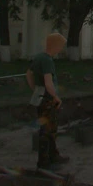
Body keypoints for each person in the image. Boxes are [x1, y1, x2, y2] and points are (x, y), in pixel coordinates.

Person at [26, 33, 69, 170]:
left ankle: (53, 155)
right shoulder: (47, 61)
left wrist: (35, 88)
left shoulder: (39, 57)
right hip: (48, 100)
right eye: (60, 46)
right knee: (48, 130)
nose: (61, 49)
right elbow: (48, 82)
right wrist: (55, 97)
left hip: (40, 97)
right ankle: (45, 162)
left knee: (48, 128)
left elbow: (29, 74)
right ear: (55, 45)